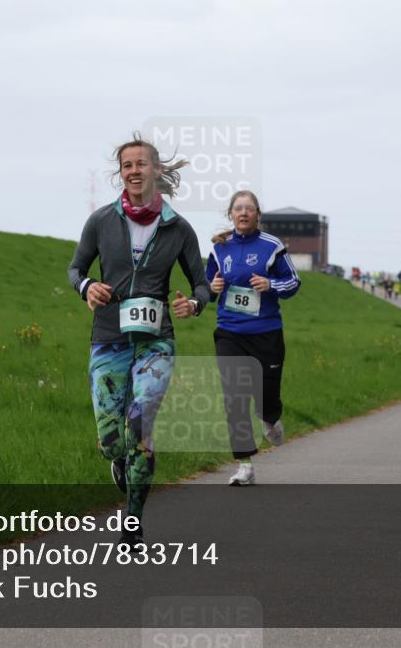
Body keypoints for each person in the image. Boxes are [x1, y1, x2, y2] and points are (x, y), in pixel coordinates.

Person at [68, 133, 210, 548]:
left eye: (141, 164)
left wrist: (194, 305)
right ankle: (121, 461)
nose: (134, 171)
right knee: (112, 440)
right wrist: (87, 287)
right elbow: (75, 269)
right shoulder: (100, 221)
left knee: (140, 425)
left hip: (156, 343)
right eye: (127, 165)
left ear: (157, 170)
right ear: (121, 173)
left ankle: (132, 521)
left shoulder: (179, 228)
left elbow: (201, 284)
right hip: (109, 338)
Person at [206, 191, 301, 486]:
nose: (243, 213)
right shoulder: (219, 248)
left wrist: (270, 284)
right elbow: (207, 287)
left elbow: (294, 282)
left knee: (266, 398)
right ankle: (244, 465)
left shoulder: (272, 246)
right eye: (238, 208)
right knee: (234, 398)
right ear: (231, 214)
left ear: (258, 214)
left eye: (249, 208)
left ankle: (270, 418)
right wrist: (213, 286)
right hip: (230, 332)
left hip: (266, 333)